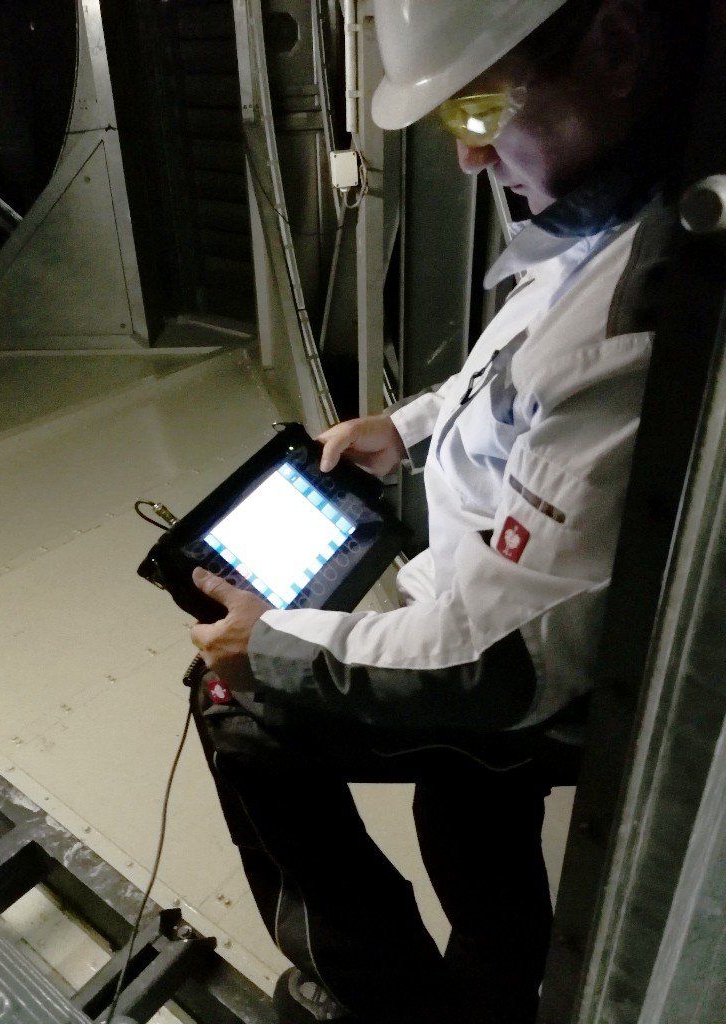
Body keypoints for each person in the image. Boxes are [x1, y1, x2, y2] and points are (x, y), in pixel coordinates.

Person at [187, 1, 703, 1021]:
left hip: (526, 669)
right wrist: (409, 425)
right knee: (465, 800)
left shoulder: (643, 311)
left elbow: (494, 663)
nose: (467, 157)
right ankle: (494, 987)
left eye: (477, 112)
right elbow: (521, 370)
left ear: (616, 48)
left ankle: (384, 998)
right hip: (489, 596)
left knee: (233, 709)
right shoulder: (607, 211)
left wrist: (271, 646)